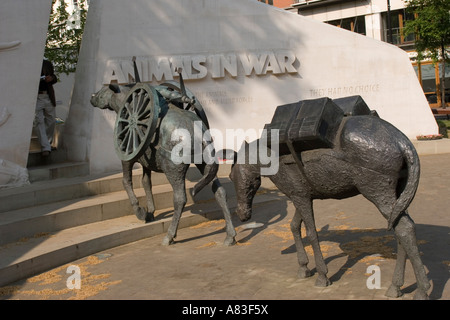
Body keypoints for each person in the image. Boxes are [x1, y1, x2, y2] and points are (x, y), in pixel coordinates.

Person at [34, 59, 57, 157]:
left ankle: (47, 143)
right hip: (36, 98)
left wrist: (51, 78)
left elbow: (54, 77)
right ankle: (45, 147)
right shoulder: (30, 62)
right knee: (38, 121)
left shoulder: (47, 63)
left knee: (51, 120)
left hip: (48, 96)